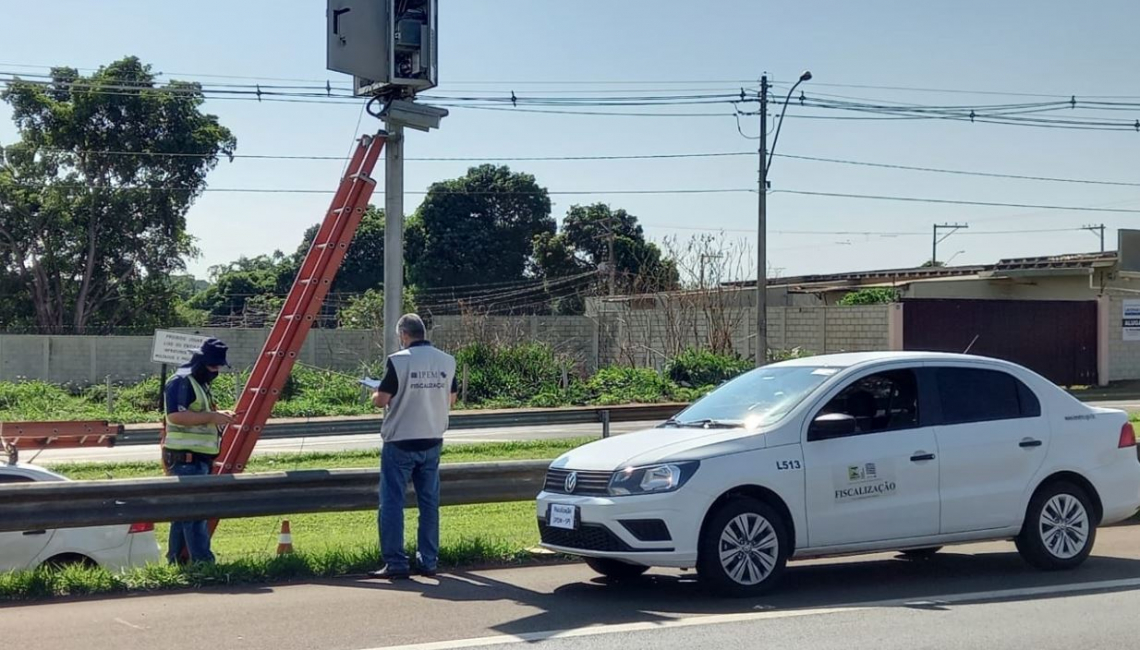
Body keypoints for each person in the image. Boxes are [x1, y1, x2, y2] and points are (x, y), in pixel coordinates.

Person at [369, 314, 457, 580]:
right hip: (432, 439)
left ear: (403, 335)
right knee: (429, 503)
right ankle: (428, 560)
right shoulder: (447, 360)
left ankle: (396, 562)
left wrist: (373, 391)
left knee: (392, 502)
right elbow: (451, 399)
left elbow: (381, 399)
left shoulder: (399, 360)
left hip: (400, 441)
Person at [162, 337, 233, 565]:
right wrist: (213, 417)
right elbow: (176, 416)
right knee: (194, 515)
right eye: (213, 366)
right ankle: (203, 564)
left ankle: (177, 562)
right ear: (200, 362)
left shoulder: (198, 383)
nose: (216, 370)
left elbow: (197, 413)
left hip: (196, 460)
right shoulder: (182, 381)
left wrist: (219, 415)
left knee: (184, 515)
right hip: (186, 461)